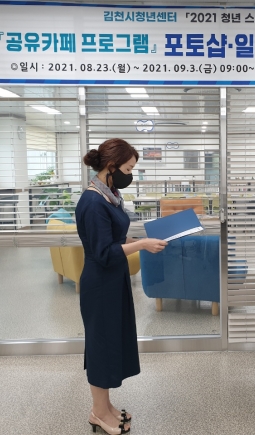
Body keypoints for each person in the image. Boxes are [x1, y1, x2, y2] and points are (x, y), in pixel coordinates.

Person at [76, 138, 167, 435]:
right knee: (101, 346)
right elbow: (103, 252)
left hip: (114, 279)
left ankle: (106, 406)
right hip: (100, 283)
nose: (131, 175)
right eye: (128, 169)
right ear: (111, 166)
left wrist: (140, 240)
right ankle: (98, 412)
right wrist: (141, 245)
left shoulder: (110, 195)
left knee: (110, 342)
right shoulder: (93, 202)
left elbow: (113, 239)